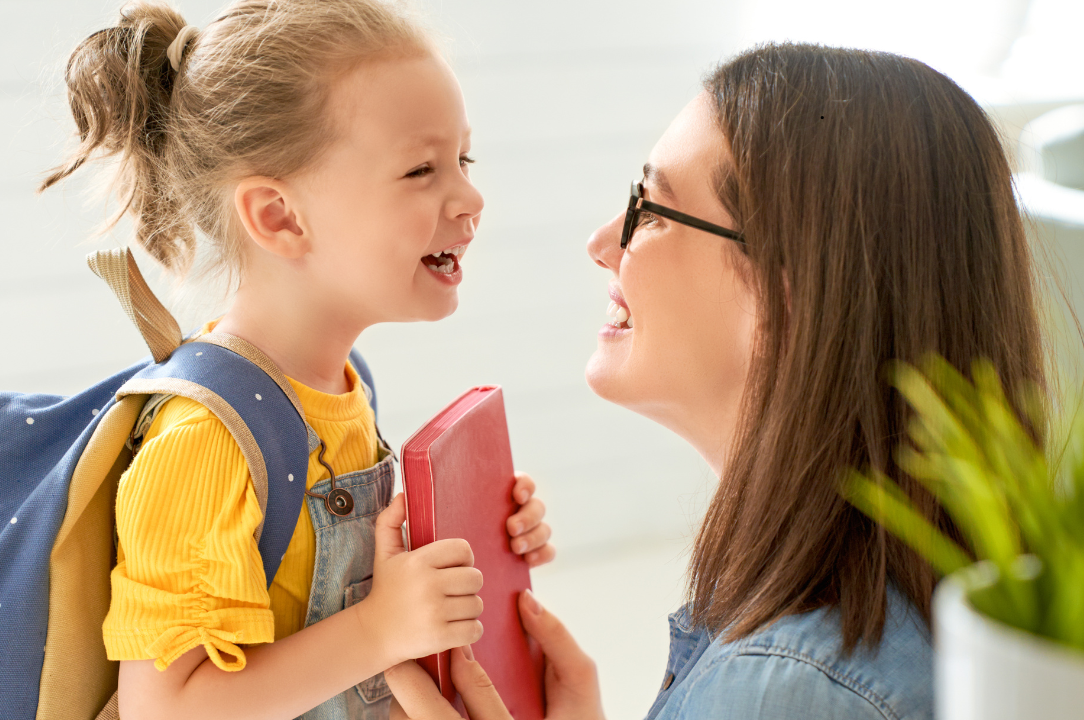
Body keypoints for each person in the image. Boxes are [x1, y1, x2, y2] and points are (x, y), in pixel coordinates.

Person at [387, 42, 1047, 720]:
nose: (603, 242)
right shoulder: (928, 612)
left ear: (786, 296)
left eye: (651, 208)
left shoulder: (787, 690)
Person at [40, 2, 556, 719]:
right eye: (420, 170)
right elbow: (167, 708)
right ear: (279, 216)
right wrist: (380, 627)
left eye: (462, 160)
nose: (470, 197)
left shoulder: (341, 386)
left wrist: (464, 542)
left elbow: (308, 588)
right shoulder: (204, 440)